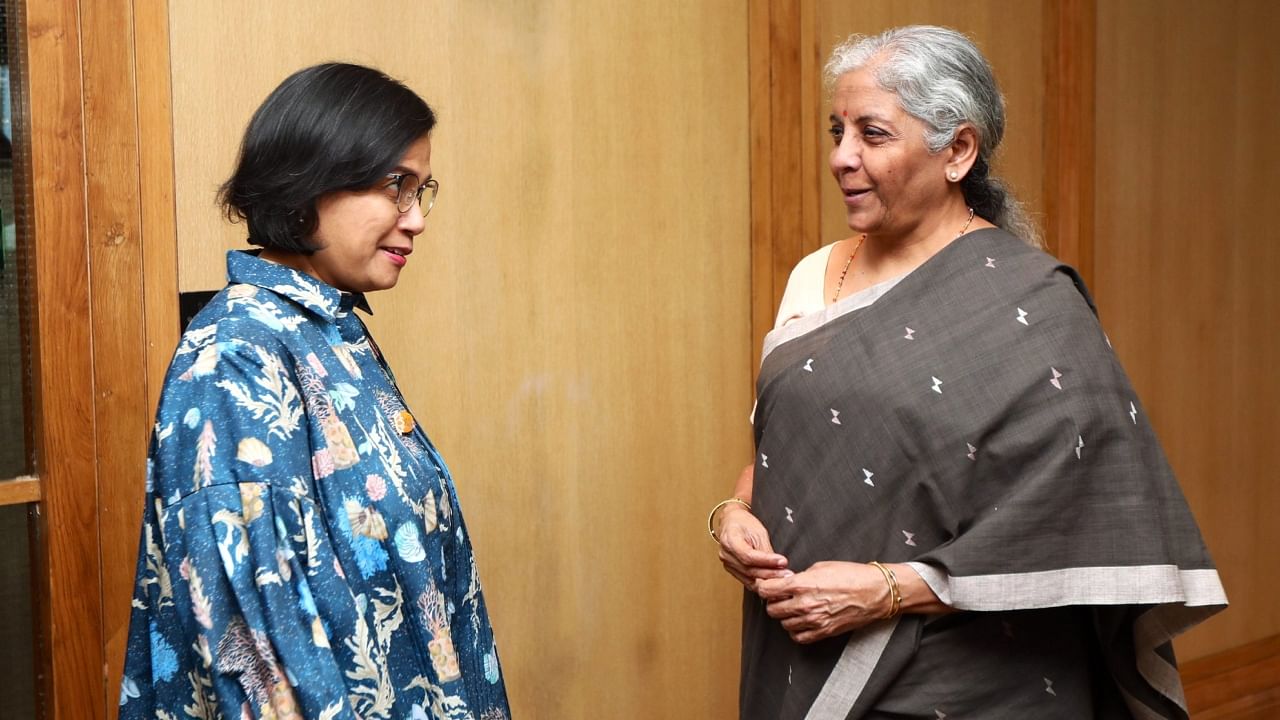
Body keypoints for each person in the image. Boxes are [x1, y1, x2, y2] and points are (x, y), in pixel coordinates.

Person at [711, 26, 1225, 719]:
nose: (841, 157)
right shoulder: (813, 277)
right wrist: (735, 513)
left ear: (958, 150)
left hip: (976, 676)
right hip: (805, 650)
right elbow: (783, 454)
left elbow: (1078, 516)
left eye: (872, 133)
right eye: (837, 130)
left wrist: (887, 589)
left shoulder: (1035, 304)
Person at [119, 63, 511, 720]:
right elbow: (254, 659)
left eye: (423, 190)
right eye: (395, 187)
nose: (416, 220)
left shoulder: (328, 332)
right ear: (309, 184)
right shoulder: (237, 358)